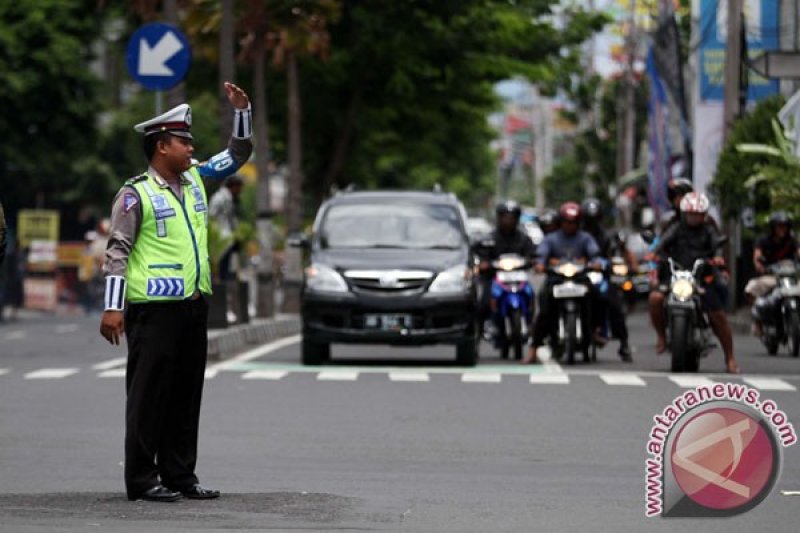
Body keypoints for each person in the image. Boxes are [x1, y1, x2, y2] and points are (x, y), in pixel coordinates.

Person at [99, 82, 253, 503]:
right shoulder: (135, 195)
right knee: (149, 398)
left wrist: (243, 112)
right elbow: (117, 252)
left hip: (192, 306)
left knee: (185, 397)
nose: (191, 149)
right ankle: (142, 480)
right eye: (183, 142)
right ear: (161, 146)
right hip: (152, 310)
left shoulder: (199, 180)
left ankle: (181, 475)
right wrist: (113, 308)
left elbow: (237, 155)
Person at [650, 192, 740, 374]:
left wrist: (716, 259)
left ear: (704, 214)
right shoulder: (675, 227)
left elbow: (717, 246)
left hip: (701, 277)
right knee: (655, 298)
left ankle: (730, 358)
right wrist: (655, 254)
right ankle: (661, 336)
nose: (693, 217)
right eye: (690, 214)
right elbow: (662, 244)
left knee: (717, 315)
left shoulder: (709, 230)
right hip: (676, 276)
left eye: (697, 214)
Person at [524, 202, 600, 364]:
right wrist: (540, 264)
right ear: (560, 222)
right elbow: (542, 255)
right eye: (566, 222)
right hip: (556, 279)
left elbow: (595, 254)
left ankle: (595, 331)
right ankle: (534, 347)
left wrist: (596, 262)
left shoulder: (585, 238)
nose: (569, 226)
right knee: (544, 305)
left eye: (573, 222)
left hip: (579, 278)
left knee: (598, 298)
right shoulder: (552, 239)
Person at [476, 200, 537, 342]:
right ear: (499, 217)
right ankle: (480, 331)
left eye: (512, 217)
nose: (508, 220)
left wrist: (533, 261)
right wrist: (484, 263)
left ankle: (530, 323)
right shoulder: (490, 238)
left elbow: (533, 254)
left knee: (531, 294)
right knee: (483, 301)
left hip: (517, 276)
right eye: (505, 217)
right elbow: (480, 252)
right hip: (494, 277)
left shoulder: (524, 238)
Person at [581, 198, 632, 361]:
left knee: (615, 304)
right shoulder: (576, 235)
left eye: (594, 219)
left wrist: (614, 264)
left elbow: (617, 253)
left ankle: (624, 343)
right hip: (579, 276)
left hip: (601, 277)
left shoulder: (607, 236)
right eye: (589, 219)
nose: (591, 223)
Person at [747, 211, 800, 336]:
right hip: (771, 276)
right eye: (779, 226)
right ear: (773, 227)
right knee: (751, 288)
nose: (782, 229)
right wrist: (760, 266)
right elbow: (757, 257)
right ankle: (758, 320)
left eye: (784, 226)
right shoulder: (763, 240)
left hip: (790, 277)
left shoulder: (792, 241)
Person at [208, 175, 244, 281]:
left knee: (227, 267)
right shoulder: (222, 198)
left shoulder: (226, 197)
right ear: (233, 186)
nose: (240, 191)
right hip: (221, 237)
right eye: (239, 187)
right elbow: (211, 216)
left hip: (225, 237)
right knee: (222, 269)